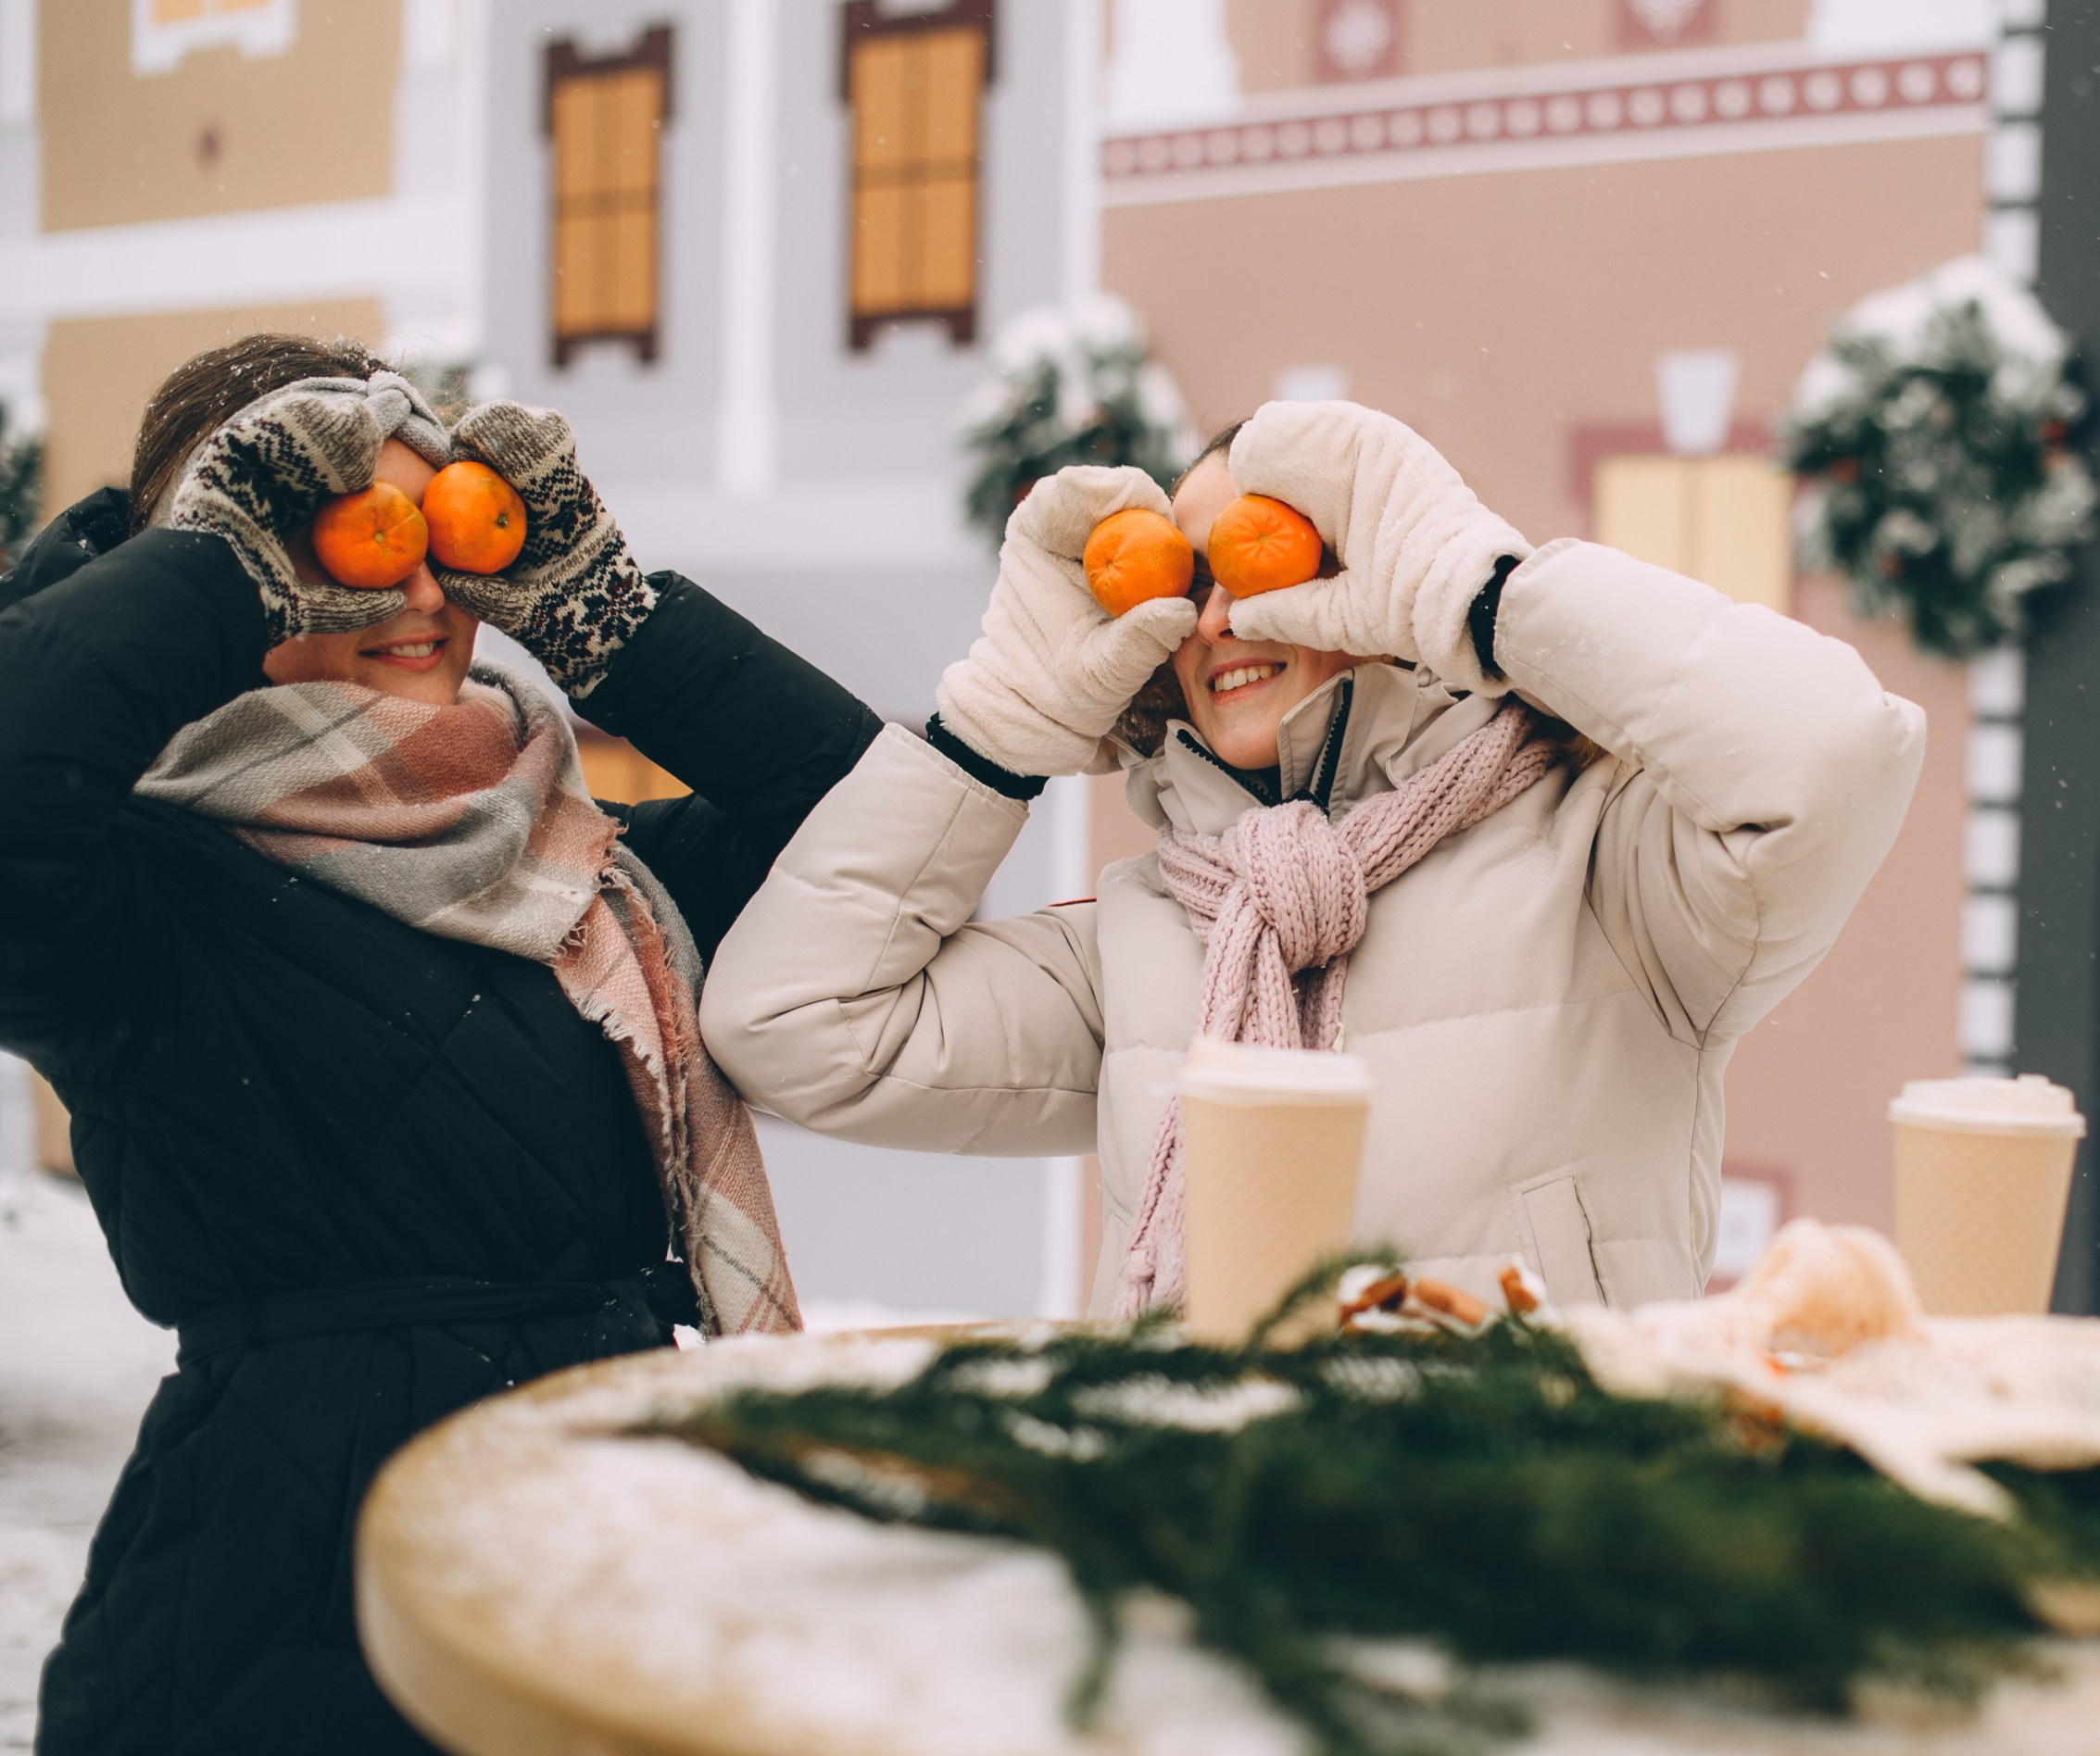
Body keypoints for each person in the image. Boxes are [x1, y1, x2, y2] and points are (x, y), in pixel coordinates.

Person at [0, 333, 882, 1754]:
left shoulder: (578, 866)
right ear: (237, 572)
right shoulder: (137, 889)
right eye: (349, 537)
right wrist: (208, 563)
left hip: (593, 1567)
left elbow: (862, 831)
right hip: (278, 1630)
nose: (416, 589)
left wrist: (613, 620)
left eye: (436, 536)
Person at [700, 399, 1927, 1316]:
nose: (1216, 616)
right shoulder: (1145, 932)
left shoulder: (1611, 865)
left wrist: (1484, 595)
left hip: (1539, 1570)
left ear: (1374, 578)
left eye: (1259, 553)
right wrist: (990, 736)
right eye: (1184, 584)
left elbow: (1829, 760)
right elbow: (796, 1028)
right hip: (1203, 1570)